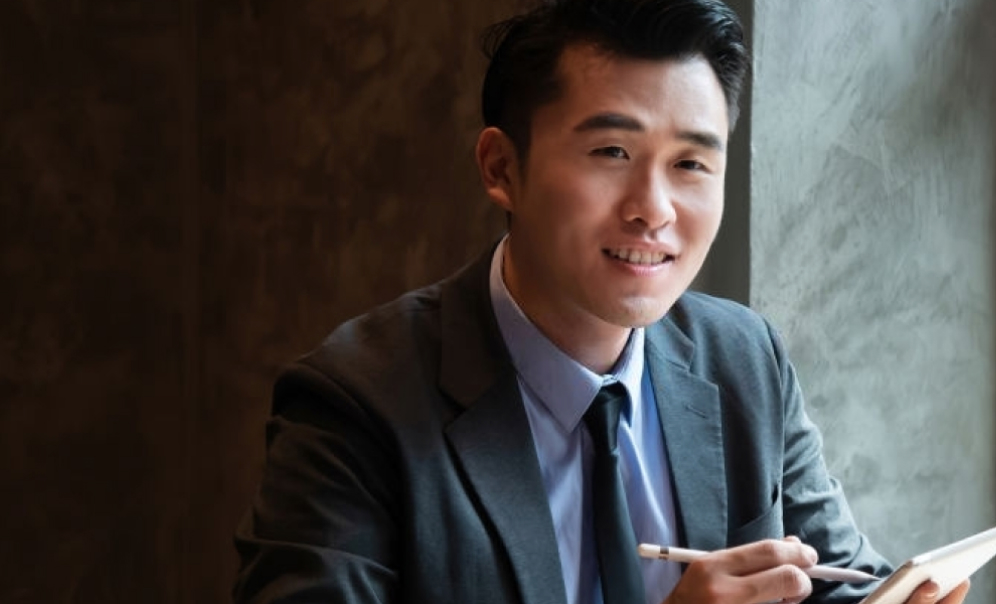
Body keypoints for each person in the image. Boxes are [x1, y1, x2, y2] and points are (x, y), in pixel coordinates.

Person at [232, 1, 972, 603]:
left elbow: (832, 578)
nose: (653, 210)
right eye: (612, 153)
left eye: (689, 163)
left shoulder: (744, 359)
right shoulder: (357, 403)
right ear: (501, 168)